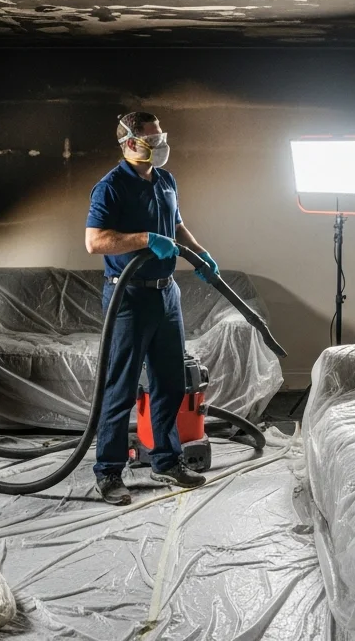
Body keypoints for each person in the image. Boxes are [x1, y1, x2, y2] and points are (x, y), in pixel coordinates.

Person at [84, 111, 220, 505]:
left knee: (170, 382)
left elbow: (176, 226)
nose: (161, 146)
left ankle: (166, 460)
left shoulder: (165, 180)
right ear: (130, 143)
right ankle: (109, 472)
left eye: (161, 137)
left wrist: (200, 253)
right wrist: (145, 239)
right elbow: (95, 242)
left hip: (166, 294)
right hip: (128, 297)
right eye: (152, 140)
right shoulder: (110, 187)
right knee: (121, 388)